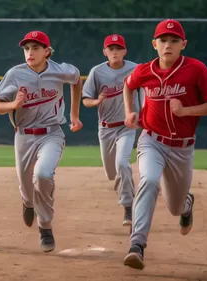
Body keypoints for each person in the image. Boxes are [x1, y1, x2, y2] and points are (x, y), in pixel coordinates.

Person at [122, 19, 207, 270]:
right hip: (151, 141)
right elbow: (128, 85)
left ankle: (187, 205)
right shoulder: (145, 70)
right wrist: (130, 111)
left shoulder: (196, 69)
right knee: (149, 180)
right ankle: (137, 245)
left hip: (182, 148)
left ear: (183, 44)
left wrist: (185, 110)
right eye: (163, 40)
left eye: (174, 40)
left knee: (175, 208)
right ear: (154, 44)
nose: (168, 45)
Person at [0, 31, 83, 252]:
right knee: (26, 184)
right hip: (23, 135)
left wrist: (74, 114)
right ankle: (27, 202)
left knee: (42, 175)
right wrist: (13, 105)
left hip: (52, 133)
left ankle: (45, 227)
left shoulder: (60, 70)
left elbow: (77, 79)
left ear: (47, 52)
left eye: (35, 48)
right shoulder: (15, 74)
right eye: (26, 48)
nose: (30, 52)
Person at [82, 34, 143, 227]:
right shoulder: (97, 72)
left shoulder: (135, 69)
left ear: (125, 51)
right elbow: (85, 100)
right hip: (106, 128)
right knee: (111, 173)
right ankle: (122, 179)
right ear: (105, 52)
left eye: (118, 48)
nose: (114, 52)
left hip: (127, 126)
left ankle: (127, 207)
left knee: (122, 162)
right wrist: (97, 101)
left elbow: (147, 90)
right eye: (111, 49)